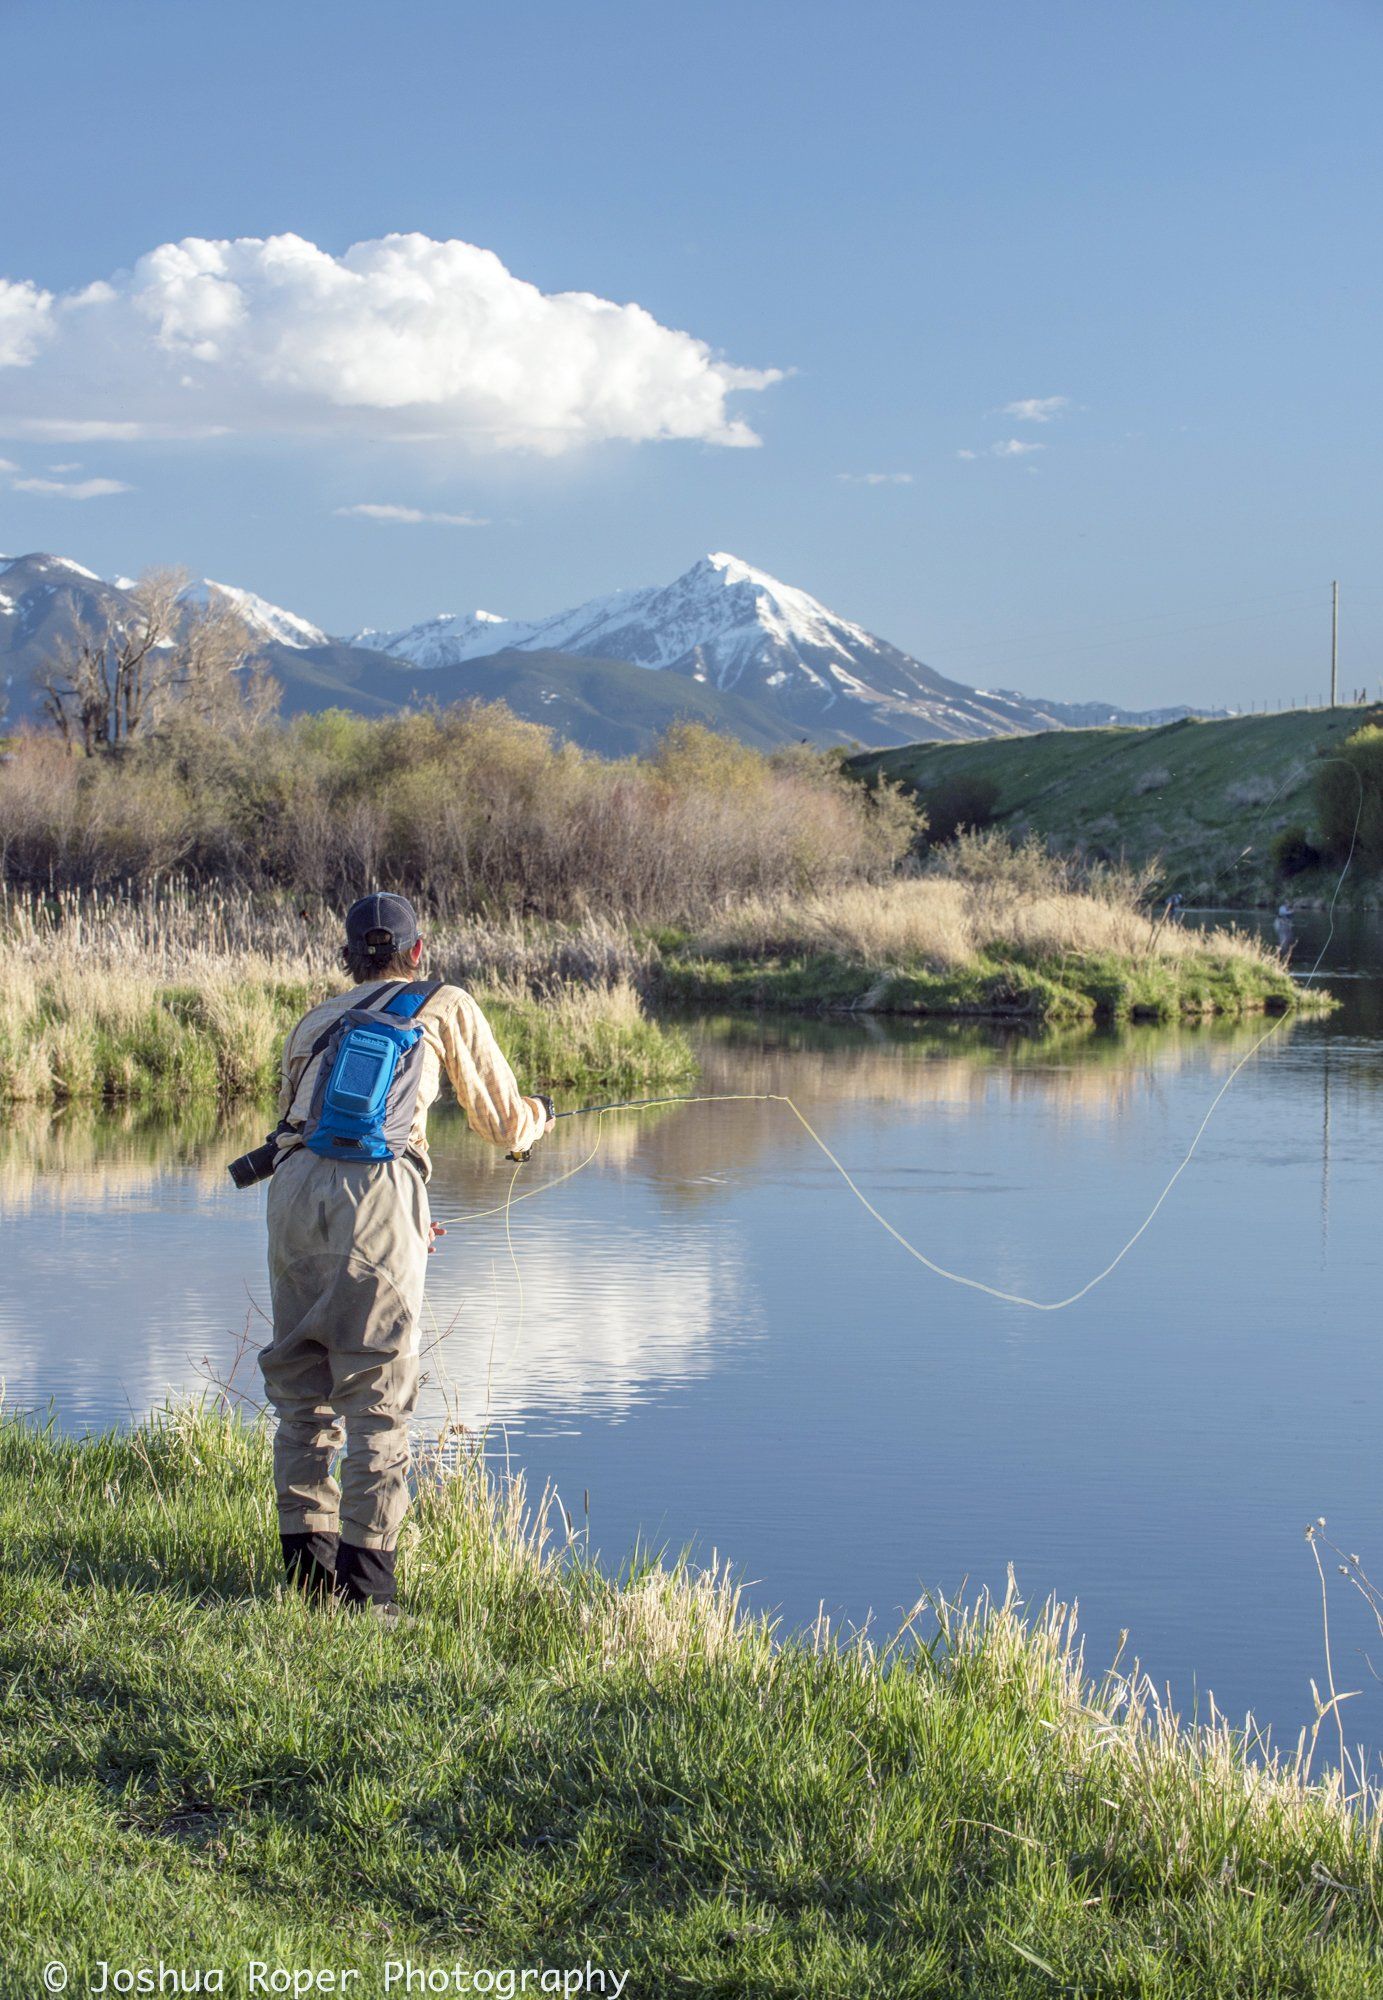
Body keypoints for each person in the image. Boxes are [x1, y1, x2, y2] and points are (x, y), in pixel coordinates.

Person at [258, 892, 553, 1618]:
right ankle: (367, 1594)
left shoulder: (315, 1020)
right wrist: (538, 1121)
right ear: (418, 952)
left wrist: (403, 1214)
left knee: (302, 1389)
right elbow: (503, 1123)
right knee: (378, 1396)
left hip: (292, 1194)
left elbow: (302, 1125)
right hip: (380, 1193)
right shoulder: (443, 1002)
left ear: (348, 956)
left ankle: (308, 1585)